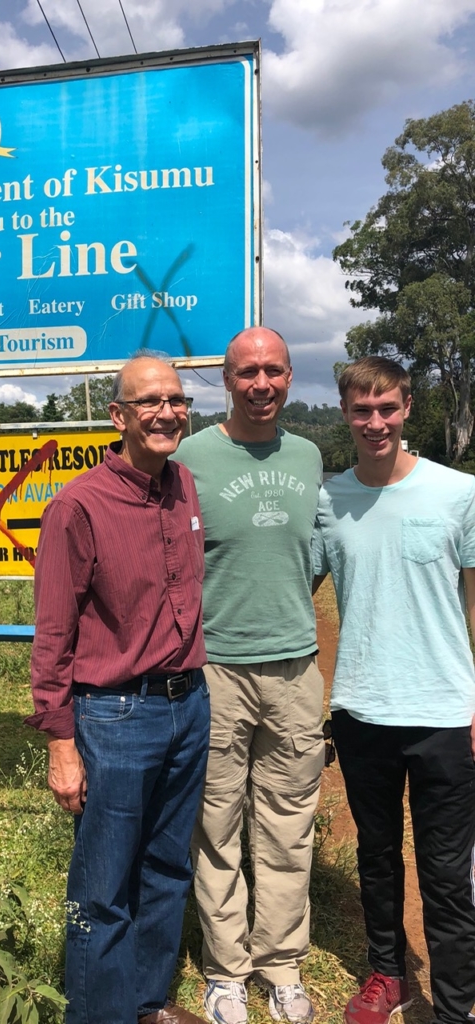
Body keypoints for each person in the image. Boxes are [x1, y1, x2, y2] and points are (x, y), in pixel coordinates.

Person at [27, 354, 211, 1024]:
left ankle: (146, 1004)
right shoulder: (77, 506)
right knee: (102, 889)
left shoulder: (183, 485)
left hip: (188, 706)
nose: (167, 412)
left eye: (176, 399)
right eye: (149, 402)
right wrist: (60, 742)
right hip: (116, 715)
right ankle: (98, 1014)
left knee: (167, 870)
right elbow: (54, 633)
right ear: (119, 417)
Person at [312, 356, 475, 1024]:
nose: (375, 422)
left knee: (445, 871)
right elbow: (296, 593)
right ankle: (389, 974)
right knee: (376, 857)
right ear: (345, 413)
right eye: (361, 410)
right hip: (361, 709)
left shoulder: (457, 493)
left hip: (443, 712)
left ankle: (457, 1004)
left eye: (387, 409)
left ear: (408, 407)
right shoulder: (329, 501)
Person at [174, 326, 324, 1024]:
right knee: (217, 825)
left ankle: (282, 964)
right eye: (246, 373)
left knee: (289, 824)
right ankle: (226, 970)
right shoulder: (192, 456)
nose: (261, 384)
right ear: (226, 381)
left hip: (295, 666)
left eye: (274, 371)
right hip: (217, 670)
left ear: (290, 377)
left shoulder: (310, 456)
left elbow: (314, 554)